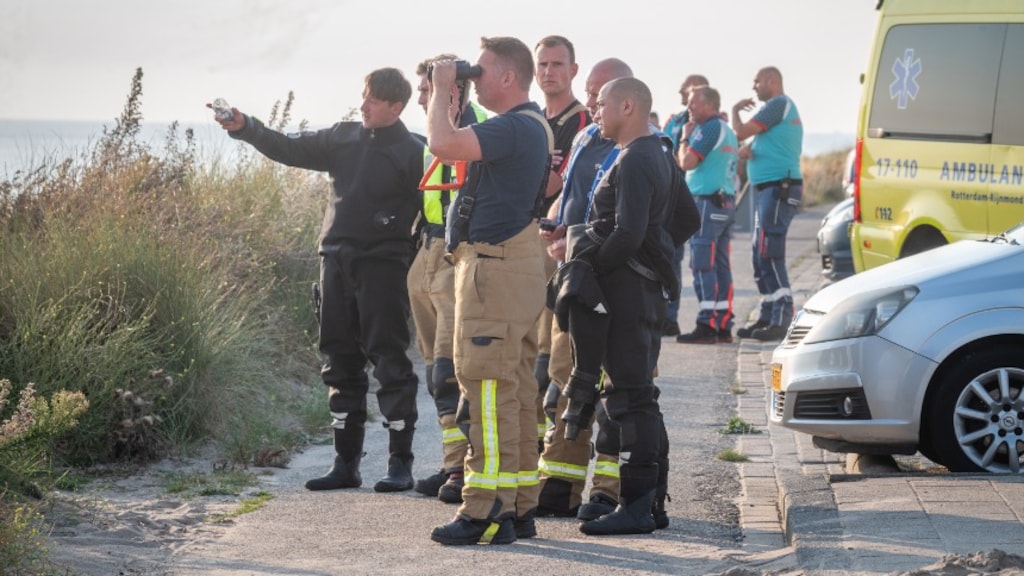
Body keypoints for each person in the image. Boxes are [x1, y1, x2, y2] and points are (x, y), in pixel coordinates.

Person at [211, 69, 424, 493]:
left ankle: (400, 465)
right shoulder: (342, 138)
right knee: (339, 360)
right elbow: (288, 147)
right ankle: (346, 464)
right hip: (335, 264)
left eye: (372, 100)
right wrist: (246, 127)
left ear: (396, 107)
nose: (362, 106)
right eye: (362, 97)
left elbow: (435, 215)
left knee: (390, 362)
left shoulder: (414, 151)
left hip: (384, 267)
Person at [425, 36, 552, 546]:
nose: (474, 77)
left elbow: (441, 144)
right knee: (516, 389)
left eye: (481, 72)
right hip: (513, 264)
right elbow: (460, 139)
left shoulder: (515, 126)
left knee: (487, 390)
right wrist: (453, 99)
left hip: (494, 270)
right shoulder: (529, 125)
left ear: (506, 77)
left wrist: (439, 87)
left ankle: (486, 511)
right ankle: (519, 505)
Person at [552, 77, 678, 536]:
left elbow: (628, 232)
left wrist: (587, 268)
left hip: (627, 292)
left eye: (601, 103)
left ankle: (637, 506)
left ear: (628, 105)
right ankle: (652, 504)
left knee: (629, 397)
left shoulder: (638, 155)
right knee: (639, 395)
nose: (595, 109)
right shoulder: (658, 153)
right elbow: (684, 218)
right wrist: (654, 256)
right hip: (639, 287)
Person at [535, 58, 625, 522]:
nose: (590, 100)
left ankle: (609, 488)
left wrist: (575, 234)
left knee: (610, 388)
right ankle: (562, 484)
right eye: (588, 91)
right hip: (571, 274)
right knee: (566, 381)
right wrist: (556, 229)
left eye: (599, 93)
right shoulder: (587, 136)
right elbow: (570, 196)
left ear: (625, 100)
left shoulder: (644, 146)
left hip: (612, 284)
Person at [408, 55, 488, 504]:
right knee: (433, 370)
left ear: (452, 91)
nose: (421, 98)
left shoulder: (474, 132)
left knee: (450, 370)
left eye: (428, 90)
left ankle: (462, 470)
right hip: (429, 251)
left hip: (459, 256)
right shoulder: (432, 136)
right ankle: (452, 463)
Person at [531, 35, 590, 451]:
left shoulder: (582, 121)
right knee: (528, 354)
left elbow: (556, 182)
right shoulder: (532, 120)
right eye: (543, 64)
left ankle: (559, 460)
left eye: (557, 64)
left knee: (556, 356)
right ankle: (526, 456)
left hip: (559, 245)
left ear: (573, 70)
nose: (549, 72)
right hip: (524, 243)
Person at [731, 66, 803, 341]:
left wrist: (736, 110)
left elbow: (739, 132)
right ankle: (767, 314)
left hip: (778, 188)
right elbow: (757, 141)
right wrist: (753, 151)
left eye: (757, 81)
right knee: (760, 254)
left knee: (768, 252)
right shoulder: (778, 110)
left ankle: (781, 318)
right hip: (769, 189)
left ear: (771, 81)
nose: (754, 87)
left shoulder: (777, 105)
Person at [675, 86, 739, 344]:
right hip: (724, 202)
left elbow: (686, 162)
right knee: (720, 264)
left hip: (706, 203)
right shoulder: (728, 130)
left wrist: (684, 138)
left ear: (710, 104)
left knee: (702, 263)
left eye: (693, 103)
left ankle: (707, 323)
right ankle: (723, 322)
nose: (689, 108)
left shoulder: (709, 128)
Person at [660, 74, 710, 337]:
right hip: (665, 192)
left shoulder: (709, 125)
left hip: (685, 196)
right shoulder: (675, 119)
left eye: (687, 89)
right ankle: (663, 315)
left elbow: (685, 161)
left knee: (677, 260)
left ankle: (670, 317)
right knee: (665, 256)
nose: (681, 92)